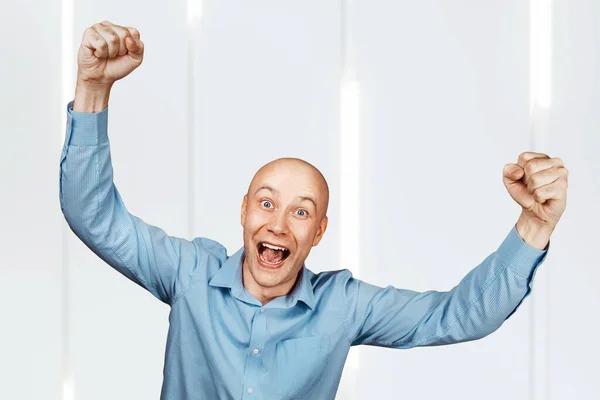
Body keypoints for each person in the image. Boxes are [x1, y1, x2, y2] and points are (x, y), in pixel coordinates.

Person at [60, 21, 569, 400]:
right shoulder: (190, 273)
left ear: (320, 232)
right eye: (266, 202)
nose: (278, 223)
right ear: (243, 211)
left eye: (301, 213)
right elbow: (94, 216)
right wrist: (94, 89)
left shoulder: (342, 306)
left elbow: (456, 316)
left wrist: (535, 224)